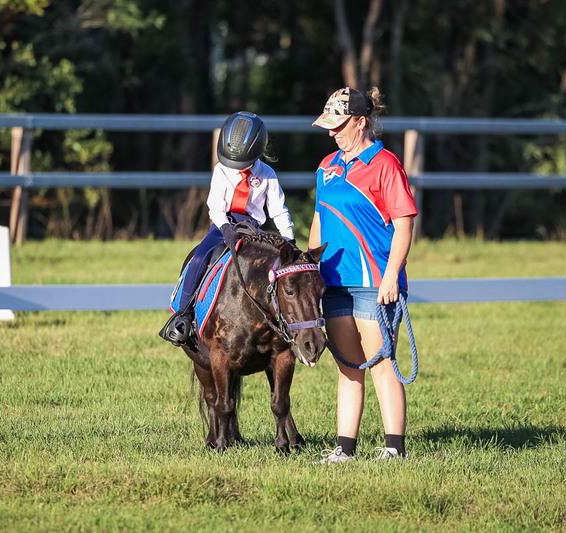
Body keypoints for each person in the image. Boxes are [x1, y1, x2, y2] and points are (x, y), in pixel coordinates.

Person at [308, 87, 418, 464]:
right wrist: (312, 272)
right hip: (335, 283)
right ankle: (345, 449)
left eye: (338, 126)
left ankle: (394, 449)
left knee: (381, 364)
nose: (331, 133)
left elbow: (404, 226)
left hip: (374, 282)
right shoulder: (326, 166)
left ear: (361, 122)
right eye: (329, 126)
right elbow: (319, 220)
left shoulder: (386, 164)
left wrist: (391, 277)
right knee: (348, 366)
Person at [159, 111, 295, 346]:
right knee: (200, 257)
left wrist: (288, 240)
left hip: (253, 228)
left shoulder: (267, 175)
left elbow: (278, 211)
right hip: (224, 224)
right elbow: (215, 206)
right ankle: (183, 314)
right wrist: (224, 228)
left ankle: (281, 323)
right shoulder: (221, 170)